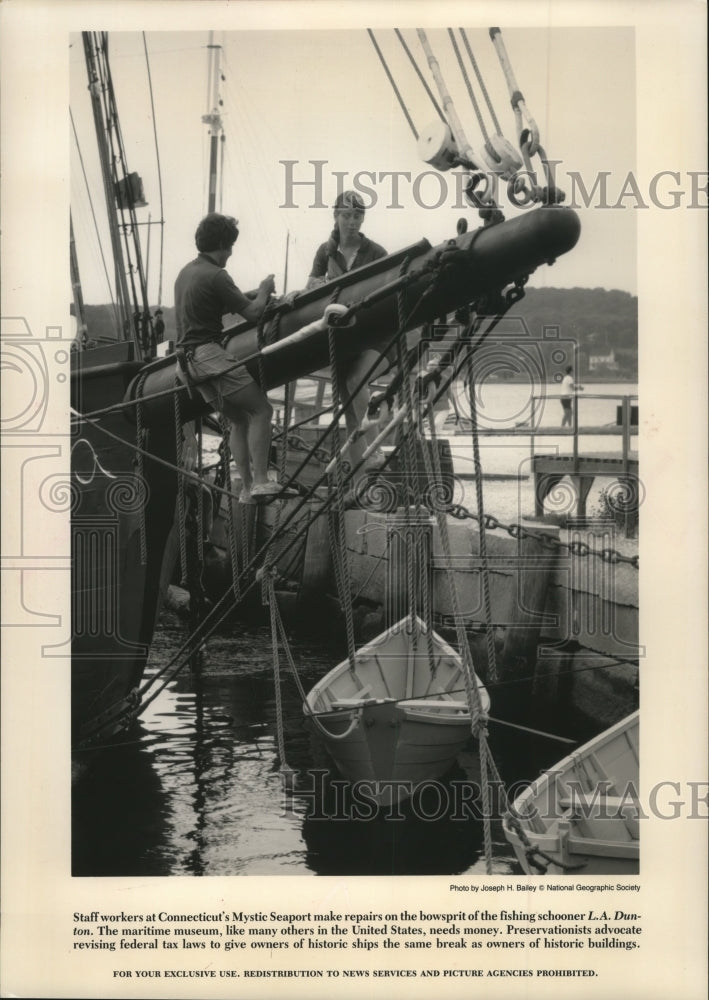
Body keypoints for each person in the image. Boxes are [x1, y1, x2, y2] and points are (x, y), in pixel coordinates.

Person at [174, 212, 286, 501]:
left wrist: (247, 295)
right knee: (262, 410)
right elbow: (252, 312)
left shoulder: (187, 272)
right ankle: (261, 481)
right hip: (208, 355)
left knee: (238, 419)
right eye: (230, 246)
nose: (231, 253)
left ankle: (248, 490)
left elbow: (214, 304)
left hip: (186, 365)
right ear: (223, 244)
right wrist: (263, 291)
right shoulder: (217, 274)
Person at [307, 190, 389, 475]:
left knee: (356, 381)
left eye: (357, 216)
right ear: (336, 216)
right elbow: (311, 287)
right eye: (346, 216)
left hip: (377, 336)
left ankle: (376, 446)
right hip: (345, 337)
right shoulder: (325, 251)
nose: (352, 222)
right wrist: (319, 285)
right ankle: (360, 478)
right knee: (348, 406)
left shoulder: (375, 252)